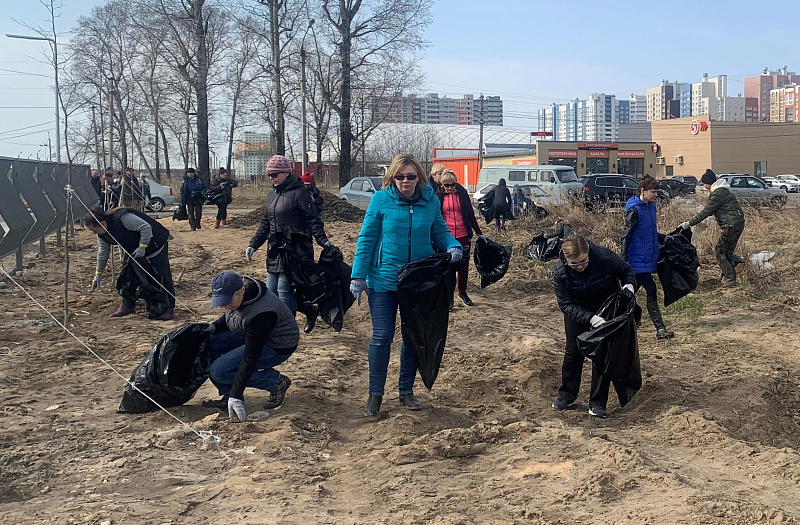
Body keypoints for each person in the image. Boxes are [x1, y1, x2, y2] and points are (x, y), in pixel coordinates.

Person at [350, 153, 462, 417]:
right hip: (384, 280)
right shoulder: (380, 200)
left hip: (417, 282)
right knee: (382, 337)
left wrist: (452, 244)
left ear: (419, 178)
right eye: (399, 176)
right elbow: (366, 238)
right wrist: (358, 275)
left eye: (410, 176)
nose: (405, 181)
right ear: (392, 177)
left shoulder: (430, 201)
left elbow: (439, 230)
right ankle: (375, 393)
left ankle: (406, 390)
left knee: (413, 338)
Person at [245, 154, 336, 334]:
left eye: (275, 174)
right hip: (276, 249)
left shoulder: (300, 193)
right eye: (269, 175)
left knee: (284, 290)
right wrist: (253, 244)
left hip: (296, 250)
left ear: (286, 173)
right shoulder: (272, 194)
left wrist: (323, 241)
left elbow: (313, 220)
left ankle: (286, 330)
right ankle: (309, 310)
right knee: (271, 291)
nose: (272, 178)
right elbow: (266, 222)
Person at [552, 234, 637, 418]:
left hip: (605, 307)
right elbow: (565, 305)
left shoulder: (604, 257)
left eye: (583, 261)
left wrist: (629, 285)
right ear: (566, 260)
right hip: (577, 311)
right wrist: (590, 318)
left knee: (602, 353)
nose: (580, 266)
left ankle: (597, 403)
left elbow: (626, 270)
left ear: (588, 252)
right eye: (574, 264)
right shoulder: (560, 273)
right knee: (573, 352)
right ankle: (567, 395)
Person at [201, 271, 300, 422]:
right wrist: (213, 327)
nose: (226, 305)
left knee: (219, 371)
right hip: (249, 333)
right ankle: (228, 393)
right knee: (208, 344)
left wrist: (236, 396)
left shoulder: (262, 313)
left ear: (241, 290)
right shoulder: (237, 298)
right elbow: (231, 315)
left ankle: (275, 382)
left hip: (276, 345)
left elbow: (250, 357)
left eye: (228, 300)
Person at [85, 206, 175, 321]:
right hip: (133, 247)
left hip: (155, 241)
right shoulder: (102, 234)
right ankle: (127, 306)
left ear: (102, 223)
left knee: (161, 274)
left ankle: (168, 309)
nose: (94, 233)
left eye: (94, 230)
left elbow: (145, 227)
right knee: (127, 274)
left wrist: (142, 247)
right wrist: (98, 273)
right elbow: (103, 252)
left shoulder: (123, 218)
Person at [621, 175, 674, 340]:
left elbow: (648, 232)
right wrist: (623, 262)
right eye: (653, 191)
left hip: (647, 257)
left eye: (657, 191)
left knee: (628, 294)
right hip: (636, 259)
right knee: (650, 289)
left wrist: (663, 238)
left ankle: (623, 321)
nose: (656, 194)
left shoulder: (651, 208)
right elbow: (626, 236)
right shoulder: (634, 210)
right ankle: (660, 328)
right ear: (643, 191)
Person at [679, 169, 745, 287]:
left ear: (709, 183)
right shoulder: (724, 191)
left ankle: (730, 280)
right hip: (737, 223)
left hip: (730, 225)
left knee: (719, 251)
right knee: (727, 253)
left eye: (704, 183)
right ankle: (731, 278)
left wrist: (688, 223)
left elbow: (706, 212)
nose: (704, 186)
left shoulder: (717, 194)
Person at [438, 169, 486, 307]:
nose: (449, 188)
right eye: (446, 185)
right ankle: (448, 296)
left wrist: (478, 232)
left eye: (452, 185)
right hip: (446, 237)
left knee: (463, 266)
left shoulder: (463, 194)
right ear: (442, 185)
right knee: (448, 267)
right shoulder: (438, 196)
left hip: (463, 234)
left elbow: (470, 214)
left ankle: (462, 292)